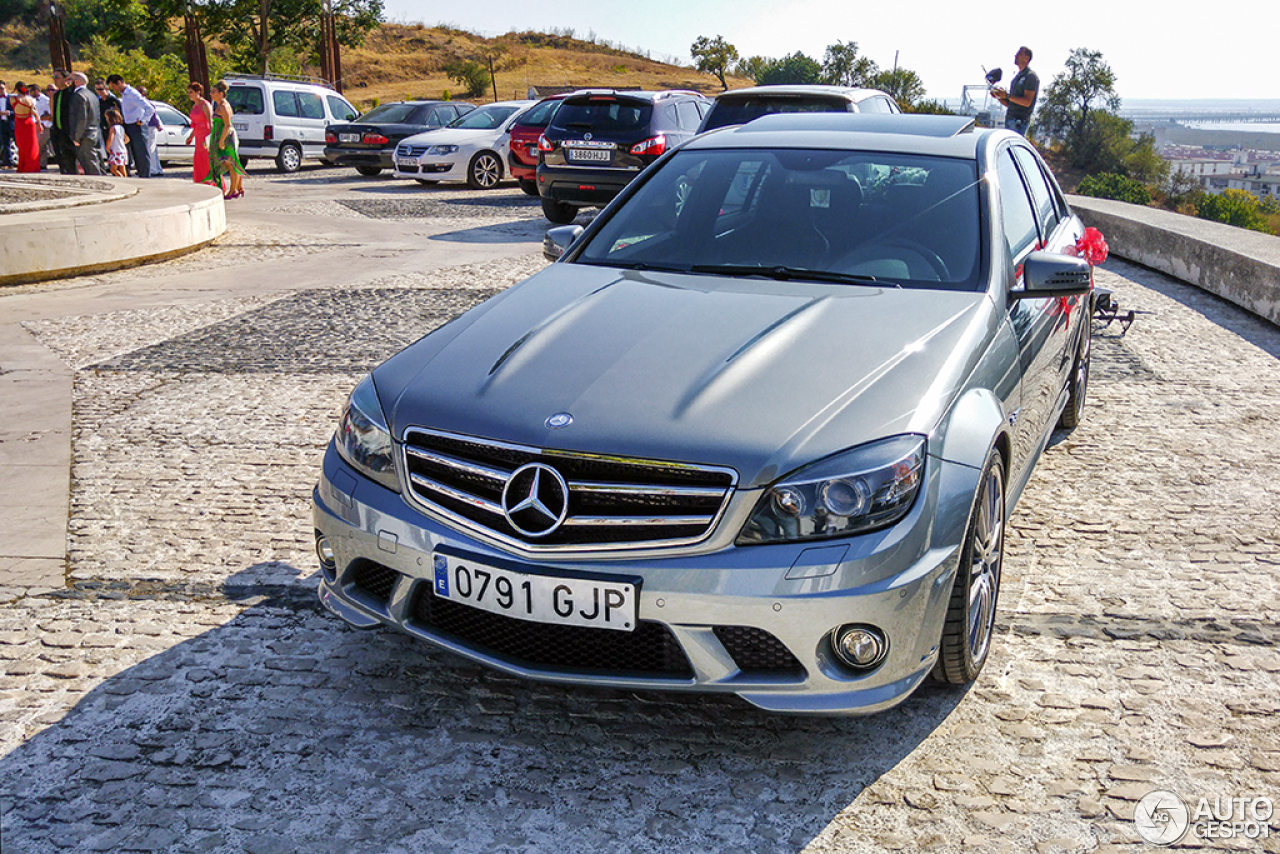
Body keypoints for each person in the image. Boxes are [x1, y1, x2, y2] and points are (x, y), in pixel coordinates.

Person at [106, 74, 157, 177]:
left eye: (113, 86)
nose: (113, 89)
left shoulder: (132, 94)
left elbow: (150, 108)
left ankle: (145, 178)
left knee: (141, 154)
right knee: (134, 154)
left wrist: (142, 120)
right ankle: (139, 177)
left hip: (137, 126)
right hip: (129, 125)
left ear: (119, 82)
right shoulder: (124, 94)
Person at [204, 80, 245, 198]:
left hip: (227, 137)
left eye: (213, 92)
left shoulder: (223, 106)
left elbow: (227, 125)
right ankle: (238, 187)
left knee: (230, 163)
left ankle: (233, 190)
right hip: (220, 135)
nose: (211, 94)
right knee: (227, 163)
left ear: (220, 93)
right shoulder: (218, 105)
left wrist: (221, 140)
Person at [992, 46, 1038, 137]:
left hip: (1019, 122)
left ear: (1026, 58)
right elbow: (1011, 103)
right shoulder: (1017, 78)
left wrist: (1007, 96)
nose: (1016, 56)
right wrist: (998, 97)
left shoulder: (1030, 77)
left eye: (1019, 54)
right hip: (1010, 119)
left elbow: (1027, 102)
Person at [67, 72, 104, 175]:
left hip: (85, 135)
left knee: (90, 165)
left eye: (70, 80)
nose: (68, 83)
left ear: (77, 82)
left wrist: (76, 137)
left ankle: (99, 186)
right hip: (94, 133)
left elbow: (81, 118)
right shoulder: (92, 95)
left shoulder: (78, 95)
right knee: (97, 163)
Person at [10, 82, 41, 173]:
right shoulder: (30, 99)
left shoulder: (13, 98)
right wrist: (39, 123)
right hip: (29, 122)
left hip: (19, 123)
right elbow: (35, 113)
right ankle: (31, 165)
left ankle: (22, 166)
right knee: (31, 146)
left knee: (21, 146)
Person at [49, 69, 76, 174]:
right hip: (57, 130)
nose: (55, 80)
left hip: (68, 131)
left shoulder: (71, 94)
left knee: (70, 157)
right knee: (60, 157)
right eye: (54, 77)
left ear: (66, 79)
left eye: (57, 77)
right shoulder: (56, 95)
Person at [185, 82, 212, 183]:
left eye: (191, 92)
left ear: (198, 92)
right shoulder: (194, 106)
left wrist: (211, 138)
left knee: (206, 159)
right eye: (189, 92)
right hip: (198, 136)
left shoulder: (205, 105)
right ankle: (200, 181)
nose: (189, 94)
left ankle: (210, 182)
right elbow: (195, 124)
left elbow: (210, 122)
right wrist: (191, 137)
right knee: (198, 159)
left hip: (205, 135)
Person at [103, 108, 128, 177]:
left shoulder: (113, 128)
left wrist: (107, 148)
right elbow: (127, 139)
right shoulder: (121, 127)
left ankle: (120, 178)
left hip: (116, 151)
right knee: (122, 168)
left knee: (113, 169)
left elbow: (110, 138)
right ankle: (125, 179)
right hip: (123, 150)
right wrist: (121, 143)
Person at [0, 81, 13, 168]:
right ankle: (8, 163)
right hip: (2, 123)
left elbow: (17, 110)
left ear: (5, 88)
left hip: (11, 123)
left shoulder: (12, 98)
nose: (0, 90)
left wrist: (9, 113)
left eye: (2, 88)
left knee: (17, 143)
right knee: (5, 144)